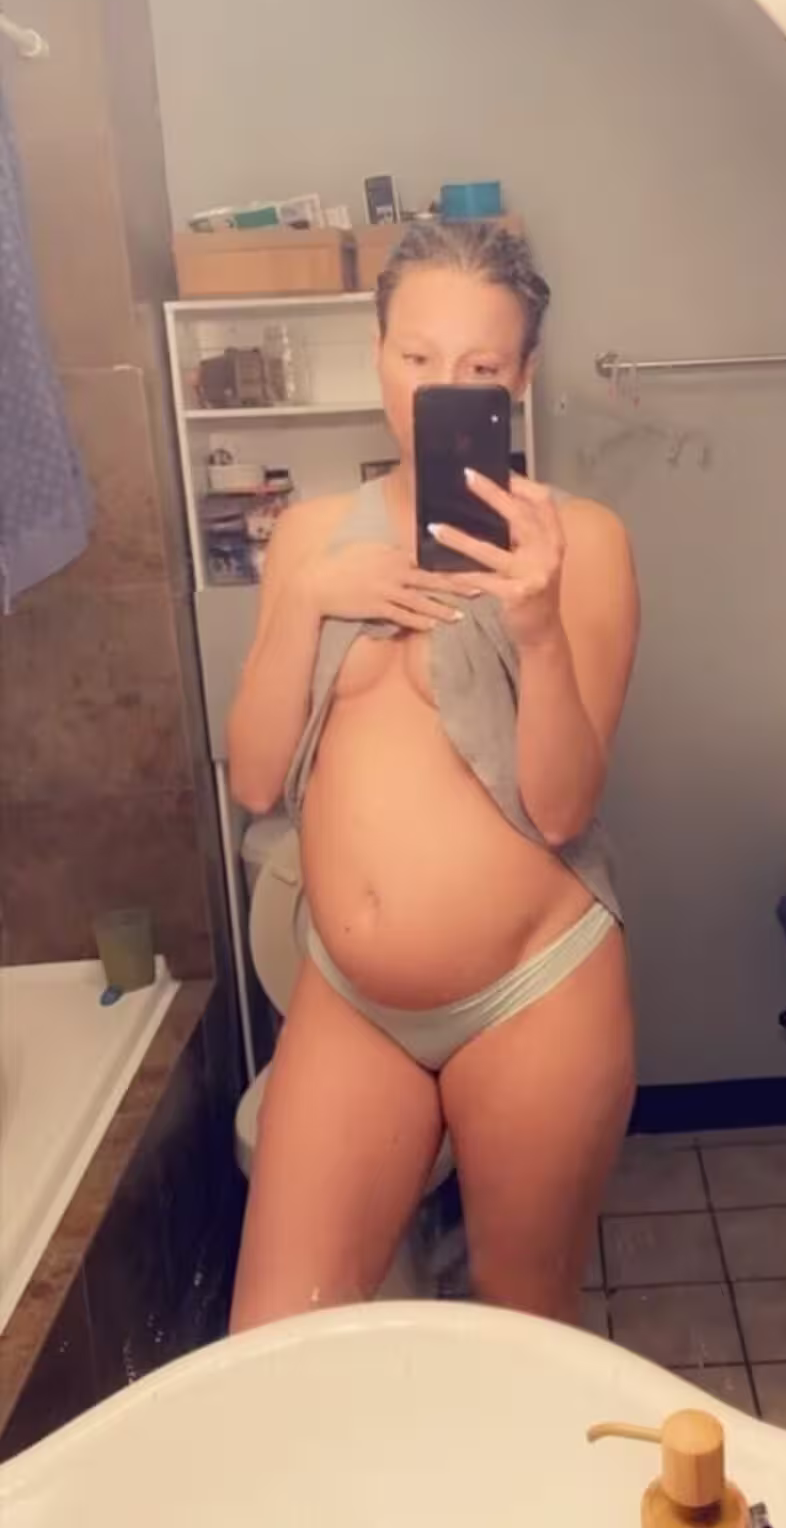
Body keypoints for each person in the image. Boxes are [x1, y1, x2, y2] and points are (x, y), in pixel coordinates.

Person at [227, 222, 640, 1332]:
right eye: (415, 356)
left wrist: (537, 627)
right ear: (377, 354)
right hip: (349, 999)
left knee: (520, 1325)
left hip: (535, 988)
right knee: (274, 1339)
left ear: (522, 378)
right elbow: (257, 781)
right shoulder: (309, 536)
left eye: (479, 366)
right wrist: (309, 601)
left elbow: (563, 806)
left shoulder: (584, 543)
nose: (439, 388)